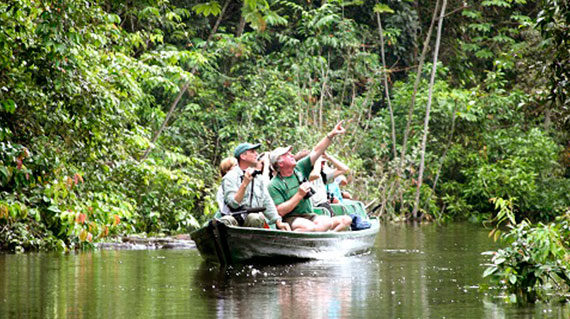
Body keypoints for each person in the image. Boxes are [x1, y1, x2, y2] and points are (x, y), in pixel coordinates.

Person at [268, 121, 352, 232]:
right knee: (310, 227)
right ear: (280, 163)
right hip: (290, 219)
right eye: (287, 155)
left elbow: (317, 150)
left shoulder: (299, 169)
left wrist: (331, 134)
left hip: (309, 215)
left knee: (327, 222)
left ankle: (322, 242)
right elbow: (280, 211)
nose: (292, 155)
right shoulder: (274, 184)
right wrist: (299, 195)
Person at [221, 143, 291, 231]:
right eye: (252, 152)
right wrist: (245, 183)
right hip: (235, 219)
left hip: (253, 222)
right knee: (225, 221)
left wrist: (278, 221)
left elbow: (267, 201)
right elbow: (233, 203)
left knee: (255, 218)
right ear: (243, 156)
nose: (256, 154)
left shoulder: (258, 178)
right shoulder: (230, 177)